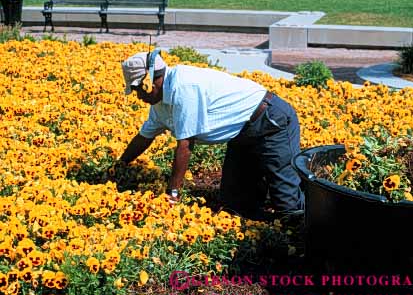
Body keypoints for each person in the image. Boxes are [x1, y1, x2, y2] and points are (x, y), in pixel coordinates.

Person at [118, 51, 304, 219]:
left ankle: (320, 207)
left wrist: (172, 194)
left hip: (270, 121)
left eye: (137, 89)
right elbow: (144, 137)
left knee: (288, 207)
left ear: (149, 83)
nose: (138, 97)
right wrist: (120, 164)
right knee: (234, 204)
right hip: (242, 133)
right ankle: (266, 203)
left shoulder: (184, 86)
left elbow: (185, 145)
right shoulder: (159, 103)